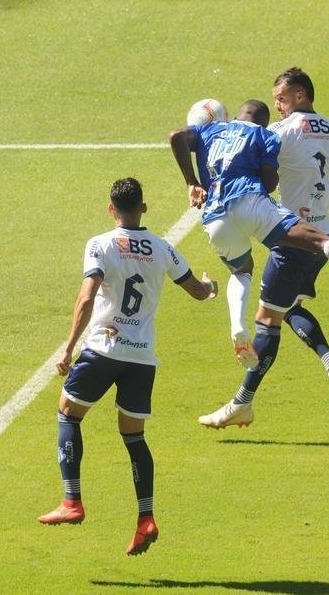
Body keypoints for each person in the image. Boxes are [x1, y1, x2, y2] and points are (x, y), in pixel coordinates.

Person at [199, 68, 329, 429]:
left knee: (267, 323)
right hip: (323, 233)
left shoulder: (279, 133)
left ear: (300, 95)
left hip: (292, 239)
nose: (277, 106)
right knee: (290, 306)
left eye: (281, 99)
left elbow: (242, 158)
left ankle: (242, 403)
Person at [169, 99, 329, 381]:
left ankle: (236, 326)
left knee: (241, 271)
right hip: (253, 205)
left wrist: (192, 182)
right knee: (322, 242)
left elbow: (176, 138)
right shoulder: (264, 135)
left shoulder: (211, 131)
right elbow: (269, 184)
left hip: (215, 218)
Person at [38, 177, 217, 556]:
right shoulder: (164, 248)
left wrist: (69, 348)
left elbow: (87, 298)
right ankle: (145, 517)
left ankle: (72, 501)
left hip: (103, 349)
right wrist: (211, 286)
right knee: (134, 437)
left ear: (110, 208)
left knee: (68, 414)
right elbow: (198, 292)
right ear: (144, 208)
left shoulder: (100, 244)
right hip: (141, 357)